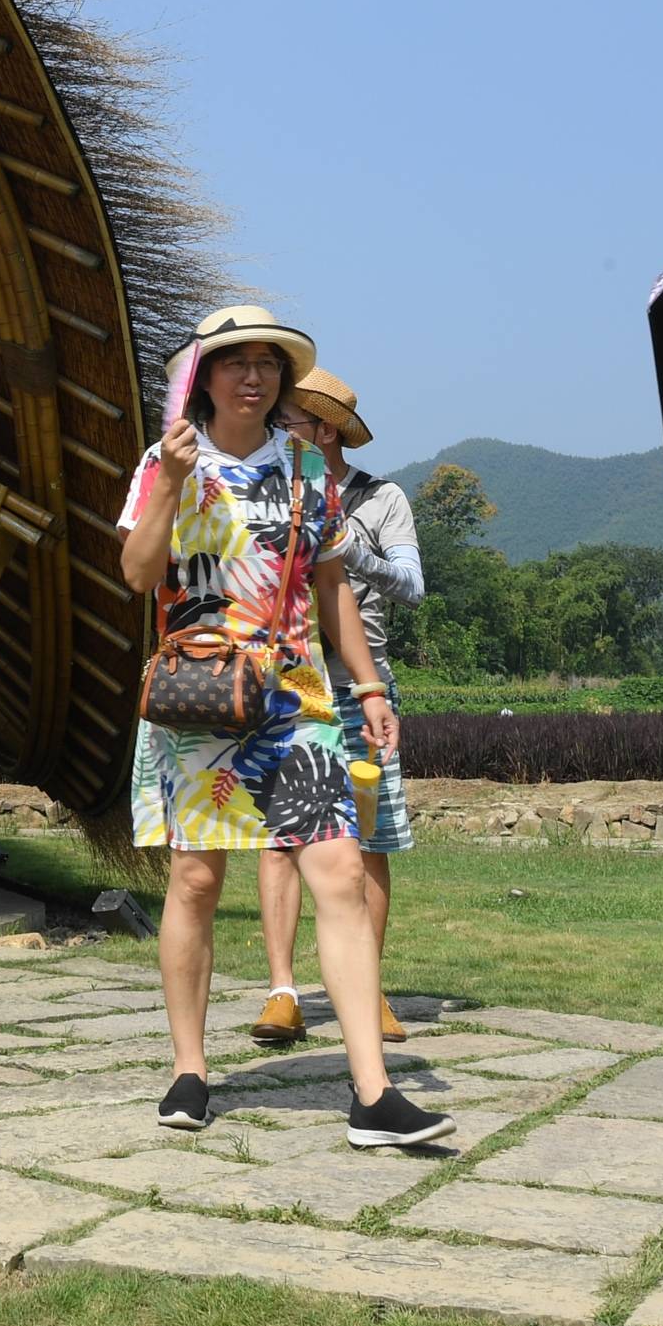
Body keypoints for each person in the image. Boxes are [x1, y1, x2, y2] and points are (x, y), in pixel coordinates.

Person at [124, 305, 449, 1149]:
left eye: (269, 362)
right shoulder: (166, 461)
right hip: (198, 691)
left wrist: (369, 685)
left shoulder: (308, 465)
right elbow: (135, 570)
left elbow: (333, 582)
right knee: (196, 879)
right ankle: (190, 1069)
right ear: (204, 375)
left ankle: (372, 1092)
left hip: (295, 694)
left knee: (339, 871)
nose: (254, 375)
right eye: (235, 361)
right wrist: (166, 483)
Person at [254, 368, 422, 1044]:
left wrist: (352, 548)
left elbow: (411, 582)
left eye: (287, 421)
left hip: (360, 686)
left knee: (370, 841)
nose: (276, 431)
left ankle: (368, 984)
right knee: (280, 840)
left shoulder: (381, 498)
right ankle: (282, 990)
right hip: (292, 686)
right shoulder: (270, 493)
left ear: (324, 429)